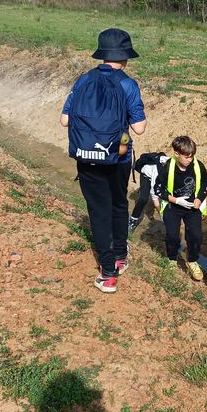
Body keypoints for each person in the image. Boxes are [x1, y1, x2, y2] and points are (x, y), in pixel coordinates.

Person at [61, 28, 146, 293]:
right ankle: (119, 257)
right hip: (119, 158)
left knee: (98, 212)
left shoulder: (84, 80)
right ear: (125, 57)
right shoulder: (128, 85)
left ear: (102, 54)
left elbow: (64, 119)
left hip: (87, 157)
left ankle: (107, 274)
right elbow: (139, 128)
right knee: (119, 204)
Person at [154, 136, 207, 281]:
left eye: (192, 156)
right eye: (186, 157)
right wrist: (176, 200)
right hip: (173, 207)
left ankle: (192, 260)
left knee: (196, 236)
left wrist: (199, 198)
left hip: (192, 207)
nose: (190, 160)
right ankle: (172, 258)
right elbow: (158, 189)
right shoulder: (168, 167)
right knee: (172, 235)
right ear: (176, 153)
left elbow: (206, 182)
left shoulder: (198, 165)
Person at [128, 152, 168, 233]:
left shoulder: (173, 167)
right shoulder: (158, 171)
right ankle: (132, 221)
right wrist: (161, 214)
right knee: (143, 198)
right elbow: (154, 195)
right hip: (146, 175)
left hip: (157, 175)